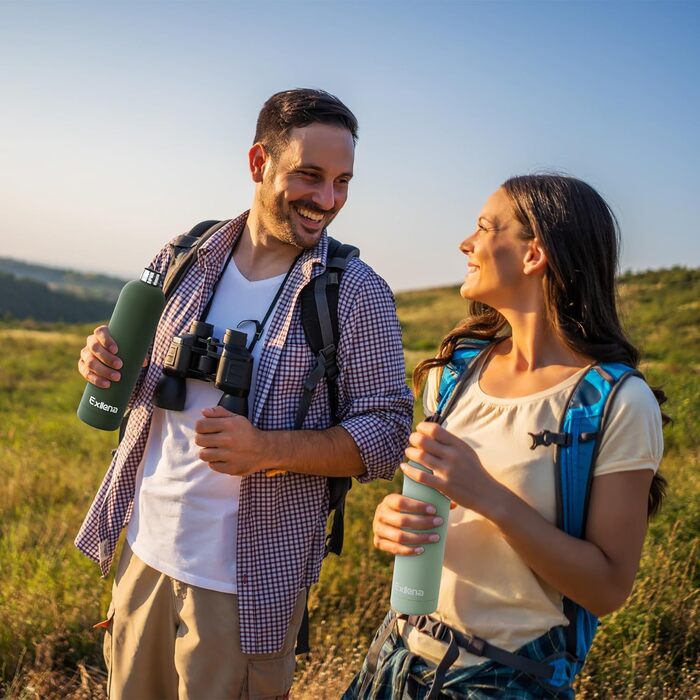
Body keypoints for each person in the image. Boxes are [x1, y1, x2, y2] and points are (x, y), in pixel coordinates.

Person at [75, 88, 413, 700]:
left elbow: (388, 434)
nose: (327, 200)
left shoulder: (356, 294)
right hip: (142, 554)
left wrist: (267, 449)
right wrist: (104, 361)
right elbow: (146, 383)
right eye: (309, 176)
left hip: (246, 587)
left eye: (342, 182)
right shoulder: (185, 254)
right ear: (259, 163)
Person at [345, 174, 666, 699]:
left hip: (504, 682)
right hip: (397, 660)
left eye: (484, 228)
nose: (465, 244)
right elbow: (445, 513)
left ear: (534, 254)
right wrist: (394, 522)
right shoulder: (455, 374)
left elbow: (608, 588)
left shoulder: (615, 403)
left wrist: (488, 496)